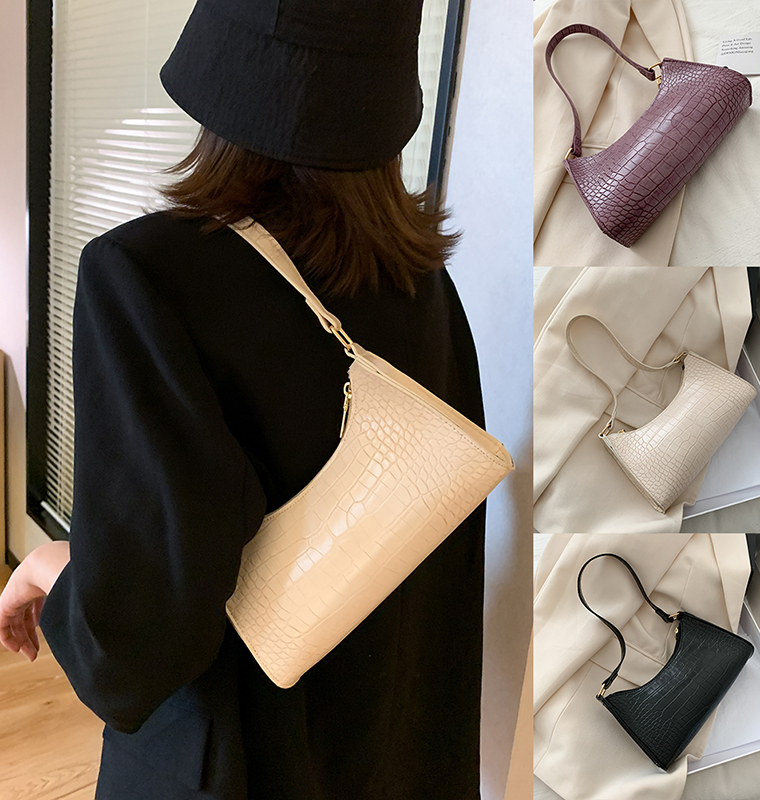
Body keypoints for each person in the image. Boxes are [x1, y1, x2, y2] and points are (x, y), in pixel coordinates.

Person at [0, 1, 490, 798]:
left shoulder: (149, 278)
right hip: (395, 756)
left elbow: (134, 656)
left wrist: (53, 564)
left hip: (240, 767)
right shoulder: (421, 279)